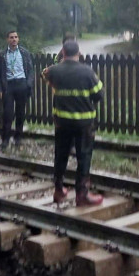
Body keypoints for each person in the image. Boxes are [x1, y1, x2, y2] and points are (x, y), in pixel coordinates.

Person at [42, 40, 104, 206]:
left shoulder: (54, 71)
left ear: (62, 52)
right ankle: (82, 195)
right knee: (84, 156)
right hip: (83, 123)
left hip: (62, 122)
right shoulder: (87, 72)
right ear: (79, 53)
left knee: (60, 155)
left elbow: (45, 74)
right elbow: (99, 95)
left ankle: (58, 190)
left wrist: (59, 60)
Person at [0, 30, 35, 150]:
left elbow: (31, 70)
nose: (14, 39)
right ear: (7, 39)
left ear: (18, 39)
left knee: (20, 113)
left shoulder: (24, 53)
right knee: (7, 113)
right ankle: (5, 139)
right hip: (9, 85)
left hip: (22, 84)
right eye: (11, 37)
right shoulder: (2, 54)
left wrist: (28, 84)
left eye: (16, 37)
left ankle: (18, 137)